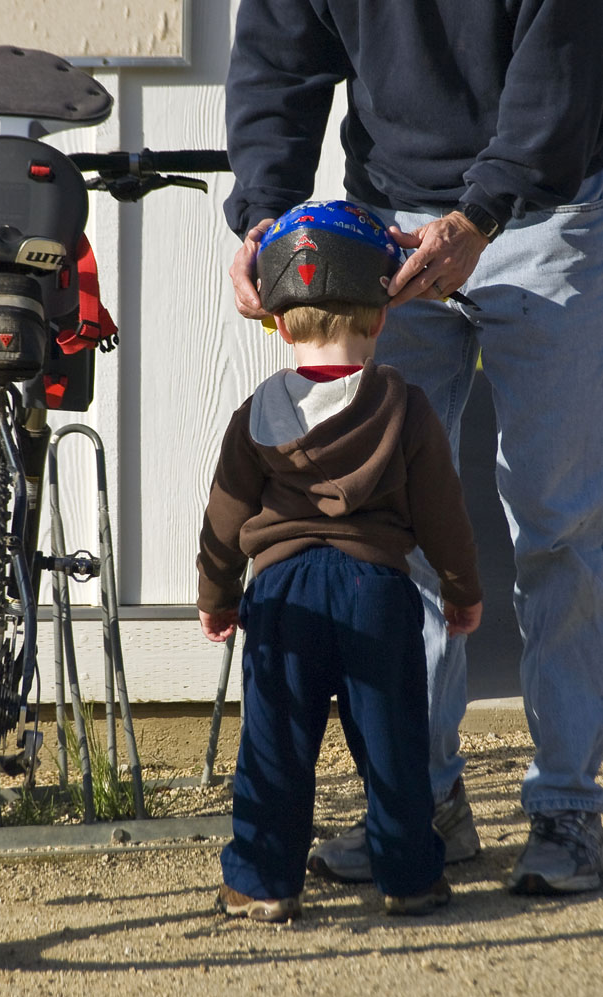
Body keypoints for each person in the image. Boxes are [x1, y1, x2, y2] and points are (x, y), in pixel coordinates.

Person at [223, 0, 603, 896]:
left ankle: (568, 807)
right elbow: (279, 68)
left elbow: (558, 86)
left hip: (548, 216)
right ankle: (424, 804)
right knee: (391, 531)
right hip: (383, 226)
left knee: (559, 524)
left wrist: (477, 219)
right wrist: (263, 222)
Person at [197, 200, 483, 921]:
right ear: (381, 317)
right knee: (391, 740)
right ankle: (411, 877)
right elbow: (443, 513)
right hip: (378, 591)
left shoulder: (257, 412)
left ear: (281, 321)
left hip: (283, 594)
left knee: (276, 741)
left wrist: (217, 593)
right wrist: (460, 589)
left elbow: (225, 517)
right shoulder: (404, 404)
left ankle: (262, 883)